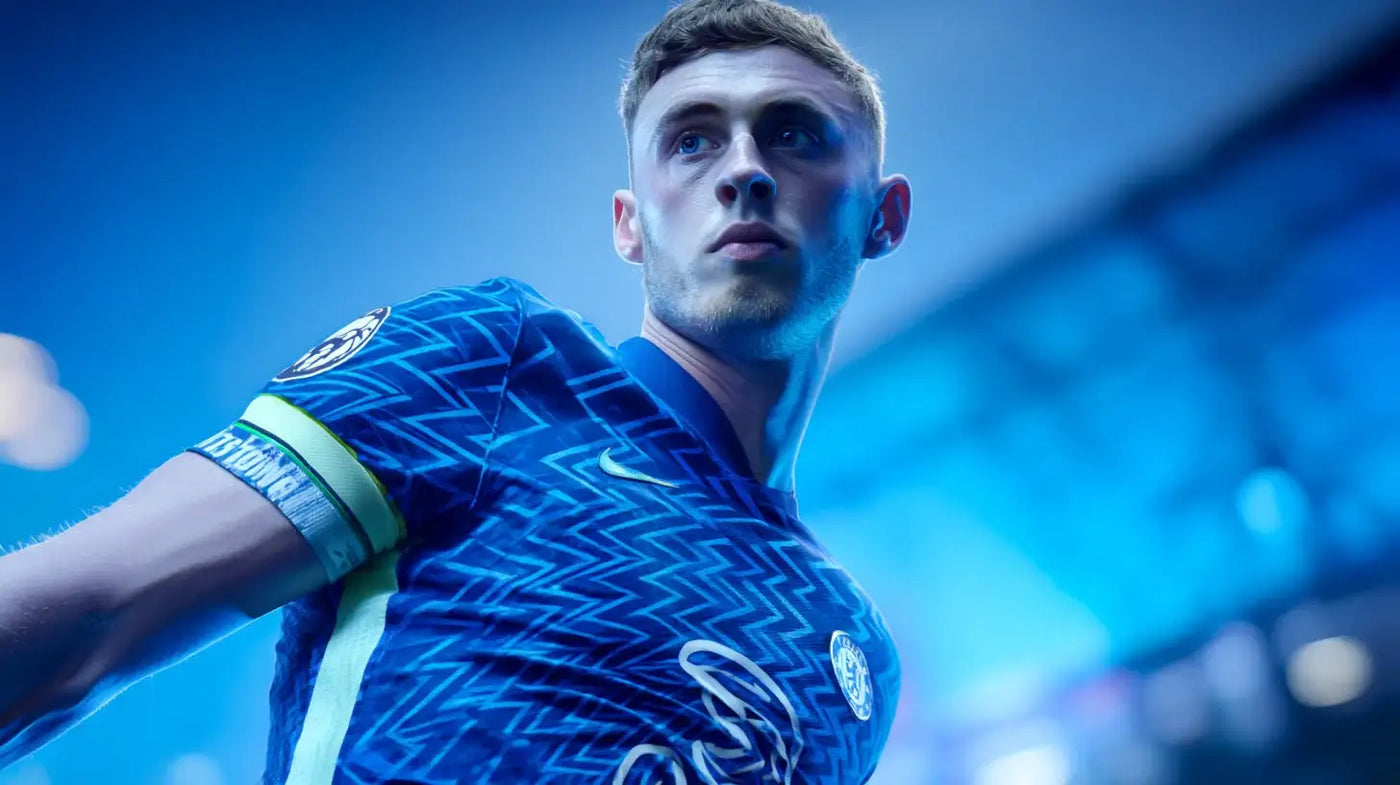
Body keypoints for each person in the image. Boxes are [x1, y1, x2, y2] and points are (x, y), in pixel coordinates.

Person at [0, 0, 912, 781]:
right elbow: (93, 613)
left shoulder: (852, 651)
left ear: (883, 214)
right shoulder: (496, 364)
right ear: (630, 226)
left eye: (792, 132)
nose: (743, 169)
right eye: (691, 140)